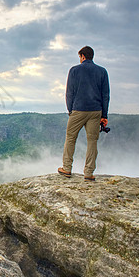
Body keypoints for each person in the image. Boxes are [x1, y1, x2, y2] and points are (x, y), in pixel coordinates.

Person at [58, 46, 110, 181]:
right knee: (92, 141)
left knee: (70, 138)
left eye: (79, 57)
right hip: (95, 111)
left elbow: (69, 92)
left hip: (78, 110)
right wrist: (104, 115)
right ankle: (89, 172)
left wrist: (71, 110)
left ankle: (67, 168)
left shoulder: (74, 70)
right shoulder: (102, 71)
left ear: (82, 56)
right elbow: (105, 95)